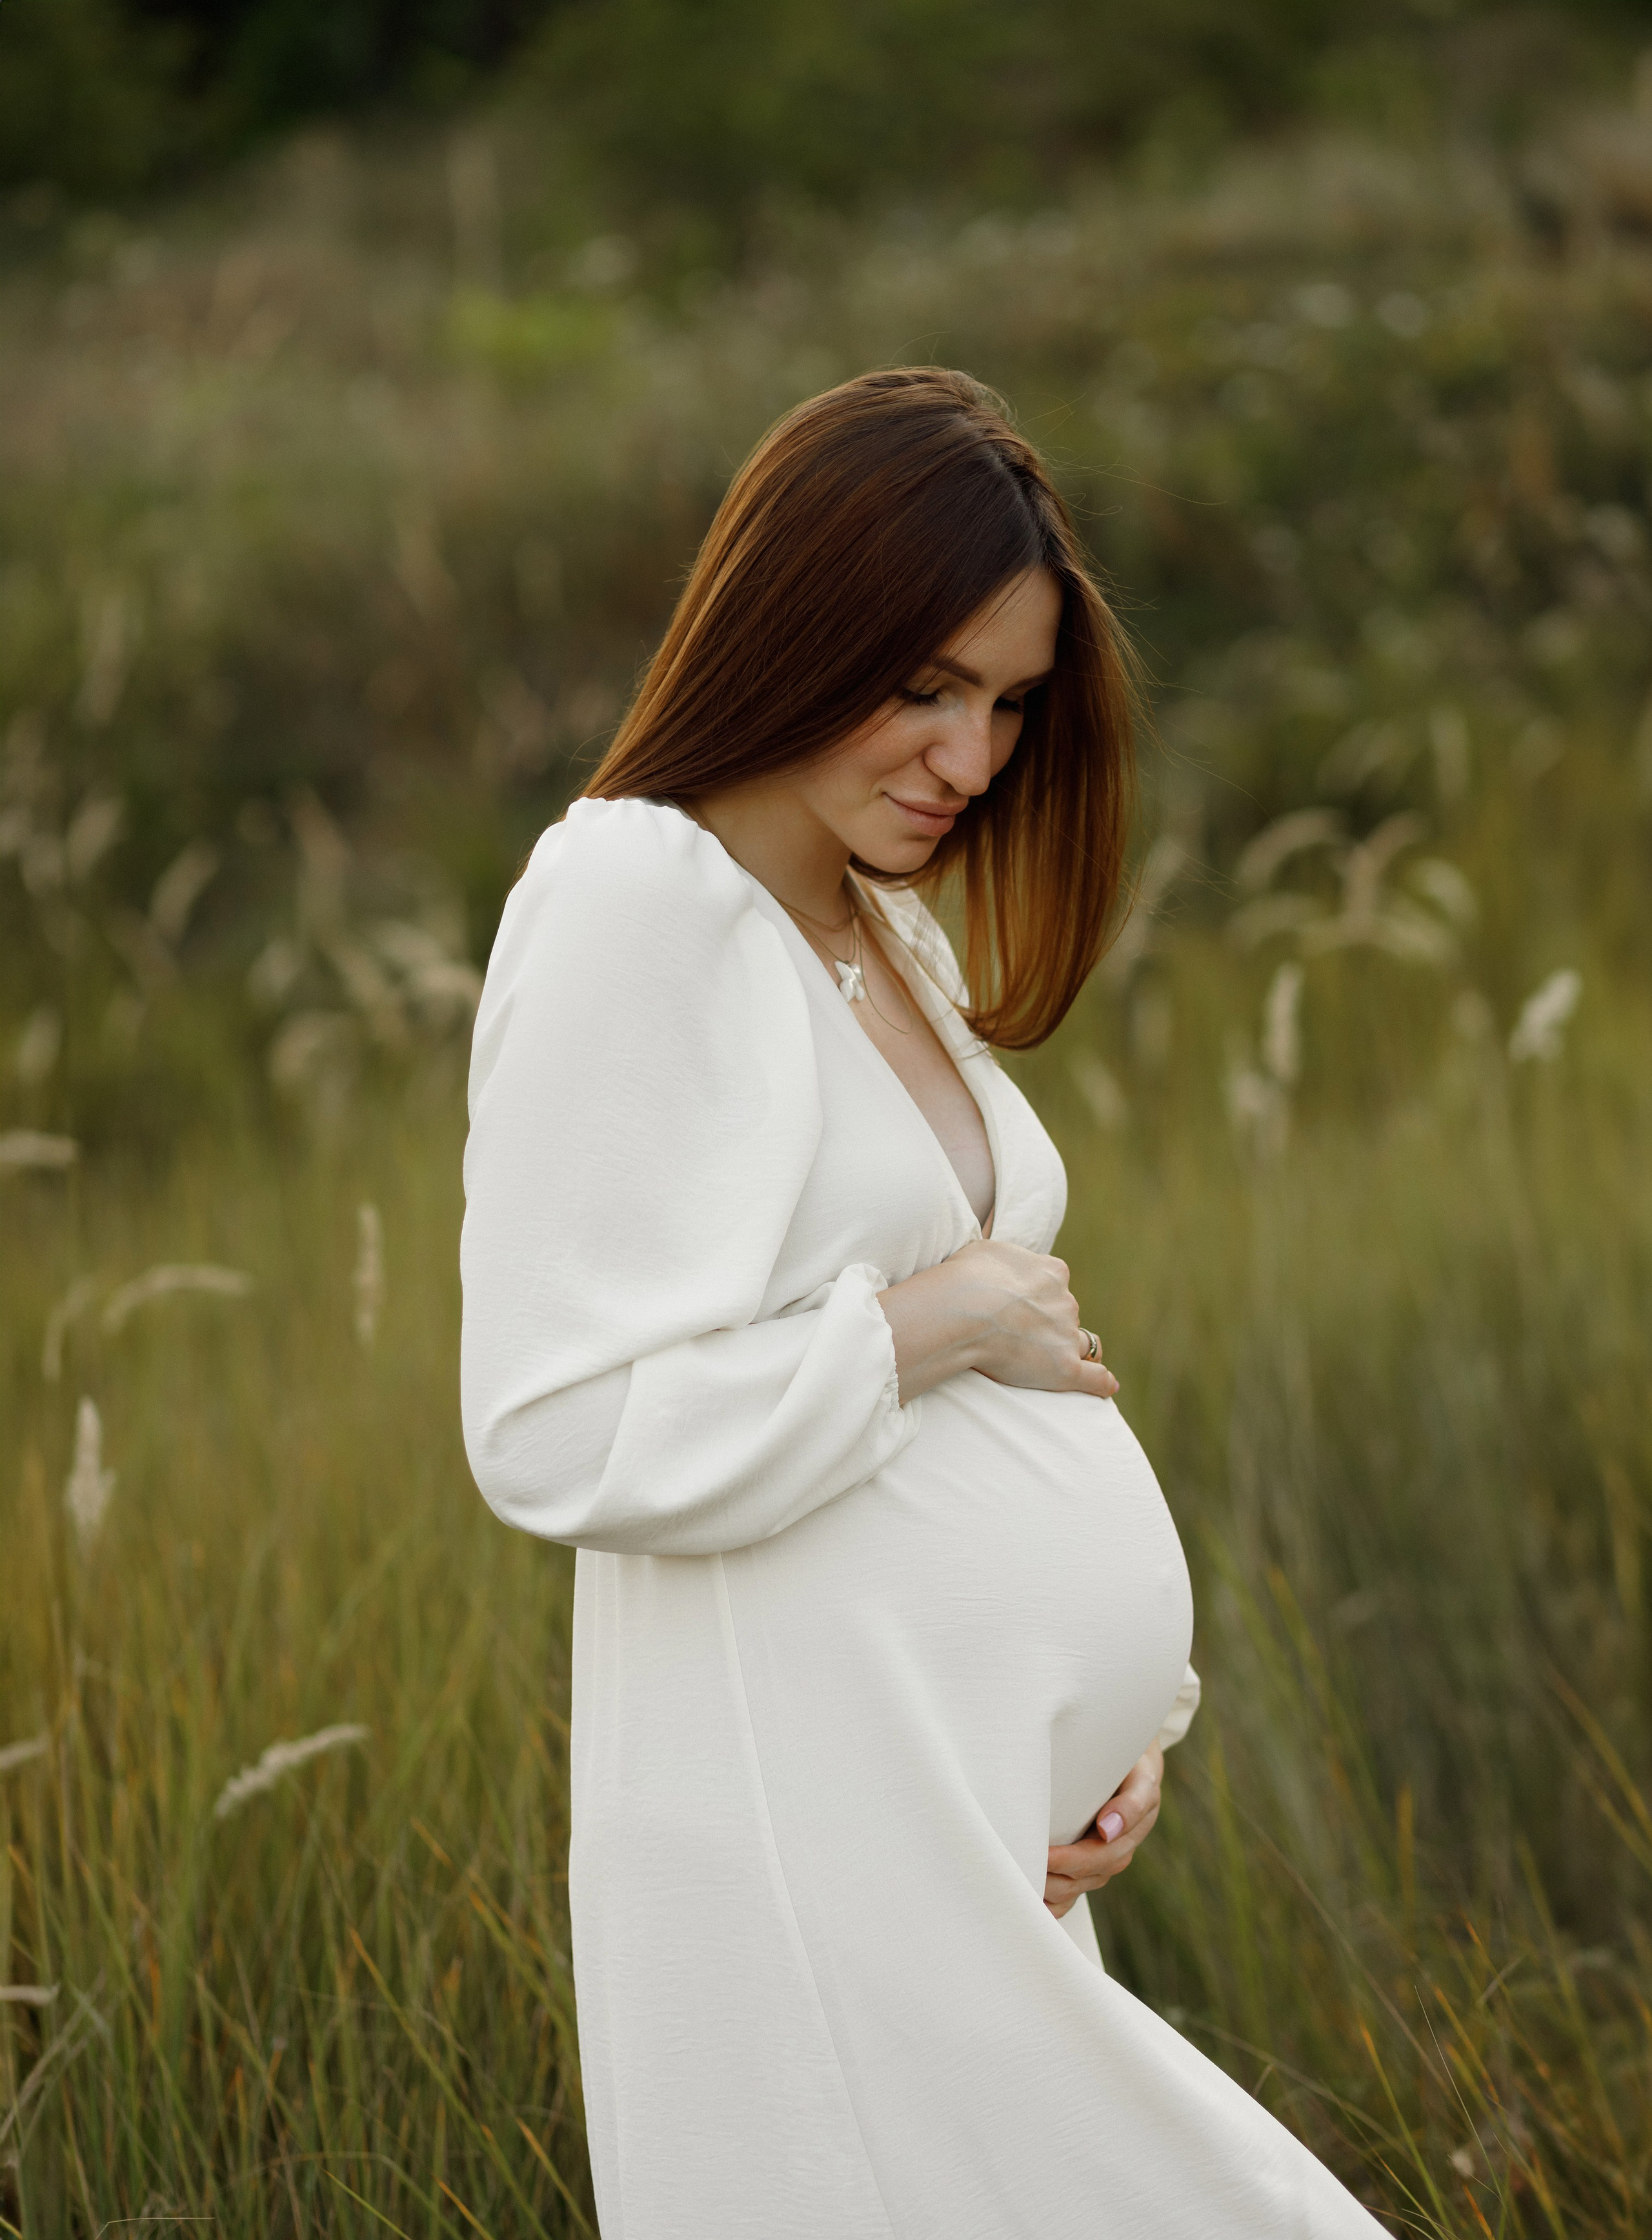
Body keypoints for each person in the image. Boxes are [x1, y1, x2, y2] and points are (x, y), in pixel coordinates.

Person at [461, 368, 1386, 2237]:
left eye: (1011, 706)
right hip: (809, 1829)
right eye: (929, 688)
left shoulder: (887, 932)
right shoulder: (636, 891)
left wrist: (1123, 1723)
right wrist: (934, 1322)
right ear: (801, 631)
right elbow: (548, 1429)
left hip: (966, 1826)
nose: (973, 758)